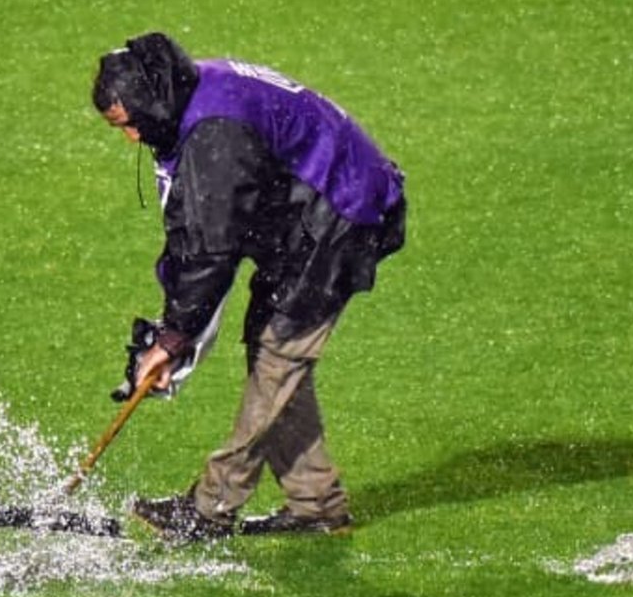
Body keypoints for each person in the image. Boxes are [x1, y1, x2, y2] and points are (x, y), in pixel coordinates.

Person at [92, 33, 406, 543]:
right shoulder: (188, 93)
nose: (131, 139)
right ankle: (316, 504)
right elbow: (192, 236)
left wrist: (174, 340)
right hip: (309, 213)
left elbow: (211, 252)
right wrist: (172, 332)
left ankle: (211, 507)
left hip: (342, 219)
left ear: (148, 103)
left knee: (278, 355)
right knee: (271, 350)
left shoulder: (214, 137)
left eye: (129, 125)